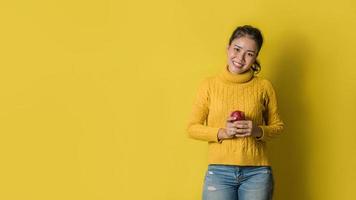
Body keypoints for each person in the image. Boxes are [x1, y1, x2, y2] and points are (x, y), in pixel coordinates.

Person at [186, 25, 284, 200]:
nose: (240, 58)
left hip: (258, 173)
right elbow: (192, 128)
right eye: (237, 49)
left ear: (255, 58)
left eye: (249, 53)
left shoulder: (264, 87)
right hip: (219, 172)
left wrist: (257, 130)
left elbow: (278, 127)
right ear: (228, 48)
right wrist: (222, 132)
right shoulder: (208, 86)